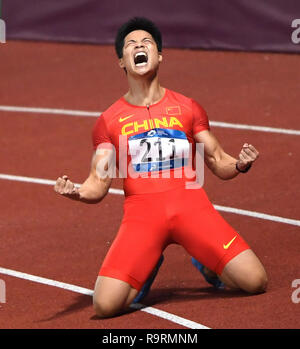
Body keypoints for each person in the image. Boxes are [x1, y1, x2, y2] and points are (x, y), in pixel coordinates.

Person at [54, 17, 268, 318]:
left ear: (160, 55)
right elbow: (97, 185)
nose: (139, 46)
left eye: (146, 43)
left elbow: (219, 161)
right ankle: (148, 264)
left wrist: (241, 164)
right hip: (142, 218)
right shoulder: (109, 120)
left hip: (193, 209)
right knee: (104, 306)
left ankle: (207, 263)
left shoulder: (187, 107)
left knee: (256, 281)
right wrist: (76, 191)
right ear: (122, 63)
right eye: (130, 45)